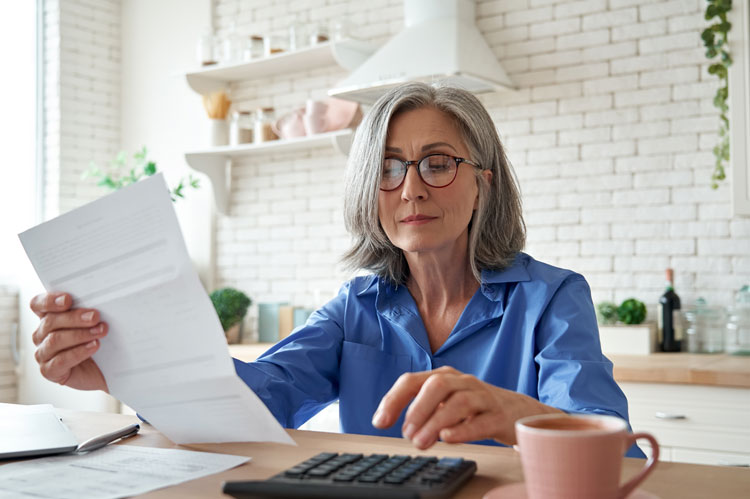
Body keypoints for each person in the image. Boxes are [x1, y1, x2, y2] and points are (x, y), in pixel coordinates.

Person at [30, 82, 644, 457]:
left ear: (482, 184)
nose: (410, 189)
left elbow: (612, 446)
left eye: (436, 163)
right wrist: (122, 367)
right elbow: (256, 400)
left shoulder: (552, 298)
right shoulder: (357, 306)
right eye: (388, 167)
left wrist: (513, 414)